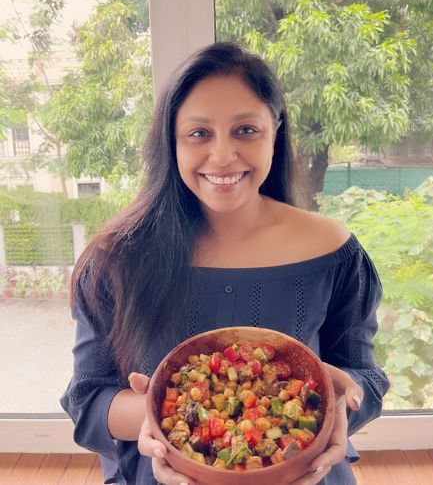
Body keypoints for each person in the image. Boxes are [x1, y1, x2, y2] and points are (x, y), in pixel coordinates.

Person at [60, 42, 389, 485]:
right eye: (199, 133)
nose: (222, 156)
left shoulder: (332, 250)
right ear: (170, 142)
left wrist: (340, 401)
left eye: (246, 130)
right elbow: (88, 399)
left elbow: (363, 376)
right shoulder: (116, 257)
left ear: (275, 132)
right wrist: (163, 418)